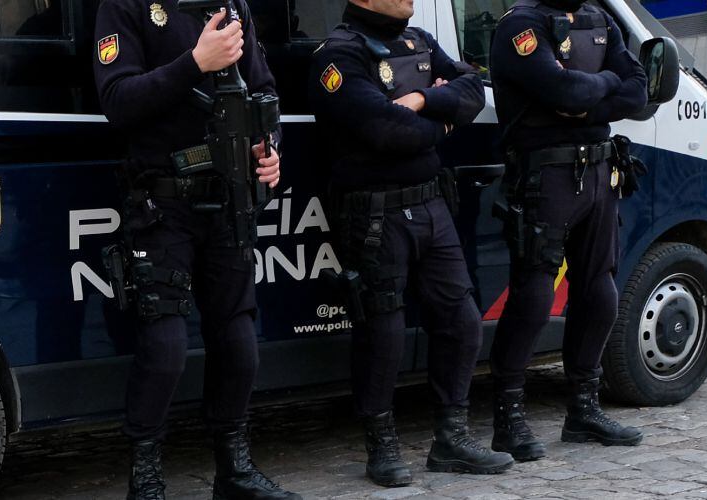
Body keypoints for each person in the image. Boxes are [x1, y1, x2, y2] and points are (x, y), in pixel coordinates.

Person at [92, 2, 299, 499]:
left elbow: (264, 91)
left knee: (240, 345)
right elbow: (118, 100)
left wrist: (268, 149)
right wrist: (195, 62)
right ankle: (145, 479)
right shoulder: (124, 6)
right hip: (162, 202)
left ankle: (234, 471)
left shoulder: (231, 4)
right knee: (164, 350)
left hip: (229, 200)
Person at [308, 0, 514, 488]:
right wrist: (440, 119)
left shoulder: (419, 40)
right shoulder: (337, 56)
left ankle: (452, 440)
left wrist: (423, 103)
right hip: (373, 212)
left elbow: (469, 91)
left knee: (461, 320)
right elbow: (383, 130)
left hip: (430, 205)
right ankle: (381, 448)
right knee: (383, 333)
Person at [487, 0, 648, 458]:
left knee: (600, 292)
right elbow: (565, 92)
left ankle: (583, 410)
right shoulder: (520, 26)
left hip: (599, 172)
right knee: (533, 297)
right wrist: (601, 86)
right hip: (546, 177)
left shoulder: (600, 20)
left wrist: (588, 97)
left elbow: (638, 93)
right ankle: (508, 419)